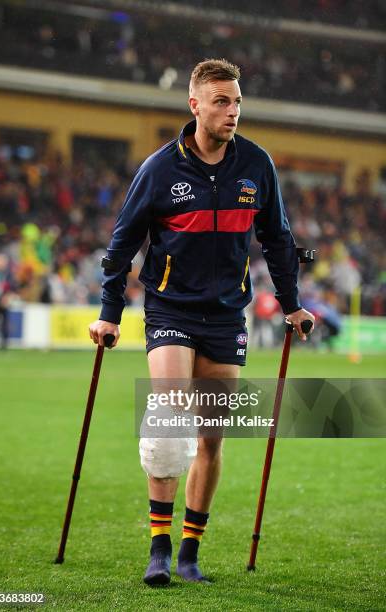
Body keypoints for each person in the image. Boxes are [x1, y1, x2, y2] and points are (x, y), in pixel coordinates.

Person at [89, 58, 315, 585]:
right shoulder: (159, 169)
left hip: (226, 314)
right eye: (221, 101)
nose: (232, 110)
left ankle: (190, 553)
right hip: (170, 308)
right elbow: (122, 244)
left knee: (213, 439)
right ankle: (159, 548)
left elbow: (277, 240)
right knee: (169, 423)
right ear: (194, 105)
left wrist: (291, 303)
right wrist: (109, 313)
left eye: (237, 101)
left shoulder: (257, 165)